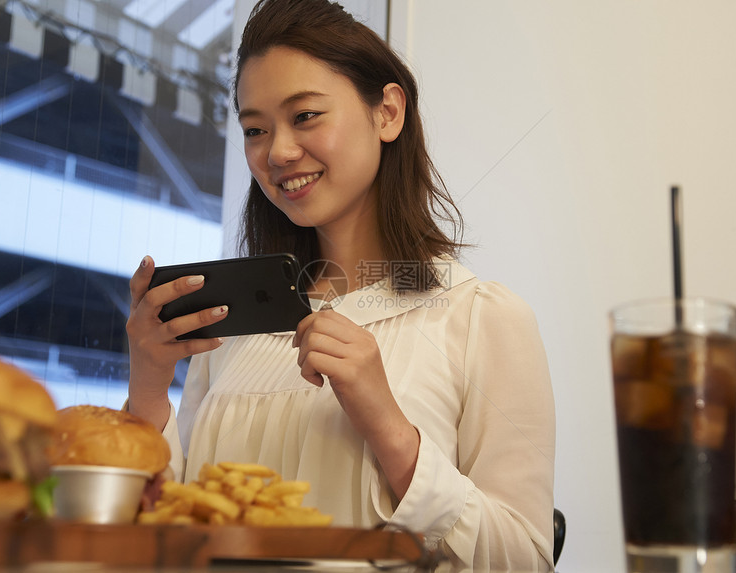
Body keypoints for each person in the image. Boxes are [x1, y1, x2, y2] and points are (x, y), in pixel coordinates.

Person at [126, 0, 556, 570]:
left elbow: (526, 559)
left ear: (388, 113)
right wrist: (150, 389)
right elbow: (165, 529)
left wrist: (391, 431)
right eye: (255, 129)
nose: (276, 152)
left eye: (304, 116)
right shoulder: (232, 326)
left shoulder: (482, 318)